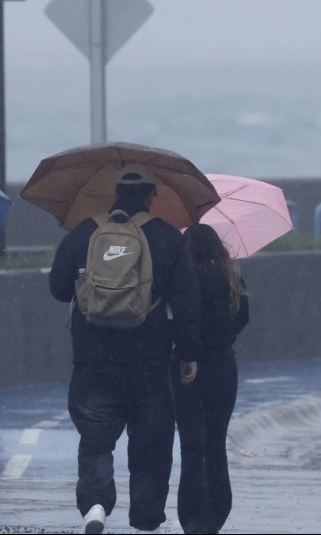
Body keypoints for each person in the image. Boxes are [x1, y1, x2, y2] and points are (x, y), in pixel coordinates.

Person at [48, 171, 202, 534]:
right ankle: (146, 518)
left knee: (96, 439)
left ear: (115, 195)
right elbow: (187, 301)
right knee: (151, 442)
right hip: (148, 358)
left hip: (92, 358)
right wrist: (188, 352)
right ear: (151, 197)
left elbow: (57, 287)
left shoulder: (85, 231)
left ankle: (96, 506)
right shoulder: (166, 237)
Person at [173, 224, 250, 534]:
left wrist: (187, 349)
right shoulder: (230, 275)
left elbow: (179, 319)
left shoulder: (182, 277)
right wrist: (222, 336)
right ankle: (217, 511)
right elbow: (243, 316)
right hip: (222, 366)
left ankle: (194, 516)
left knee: (191, 445)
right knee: (216, 443)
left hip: (185, 367)